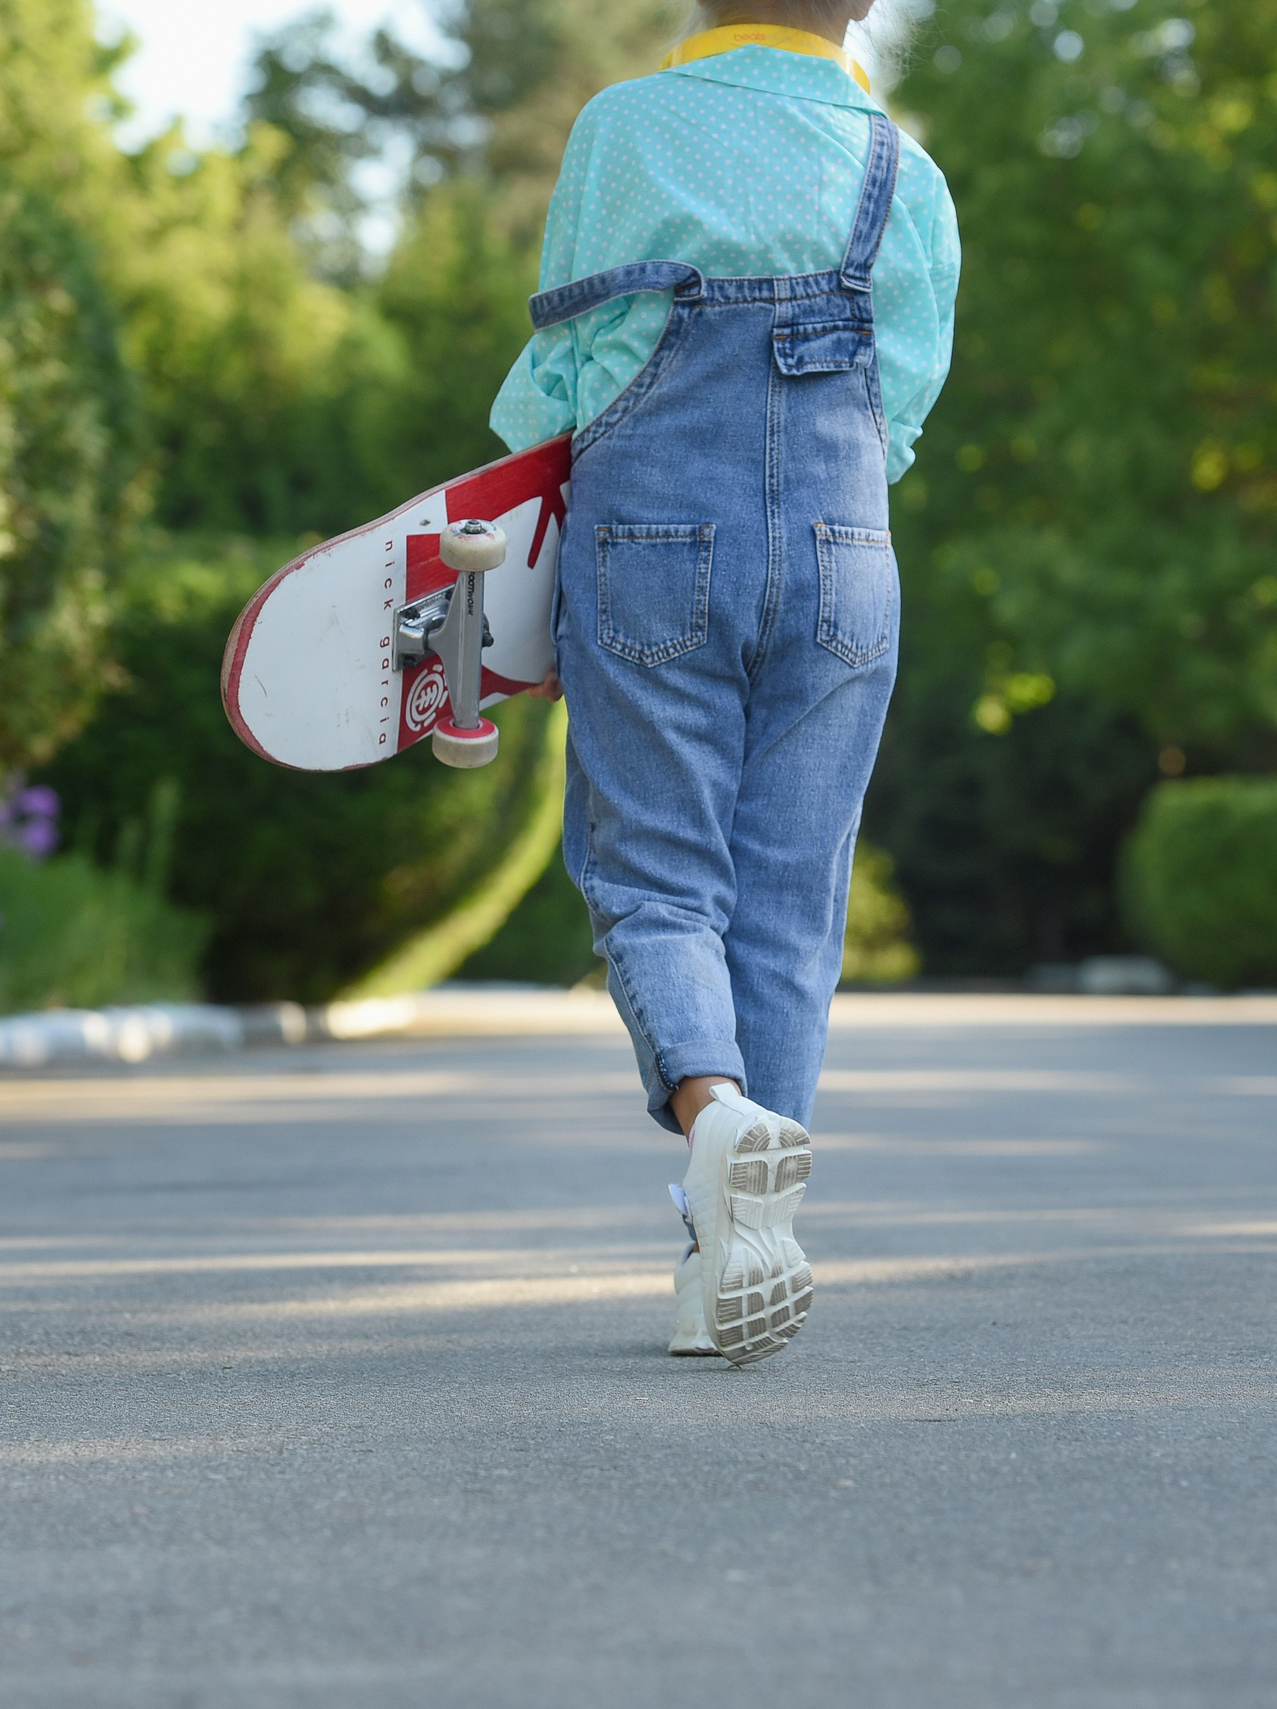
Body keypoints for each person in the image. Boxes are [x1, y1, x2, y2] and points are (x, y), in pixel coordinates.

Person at [489, 1, 959, 1366]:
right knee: (790, 894)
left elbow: (566, 368)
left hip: (654, 542)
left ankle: (713, 1112)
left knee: (654, 872)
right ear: (863, 5)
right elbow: (905, 403)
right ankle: (732, 1256)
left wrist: (524, 494)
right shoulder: (902, 169)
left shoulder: (623, 128)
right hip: (843, 552)